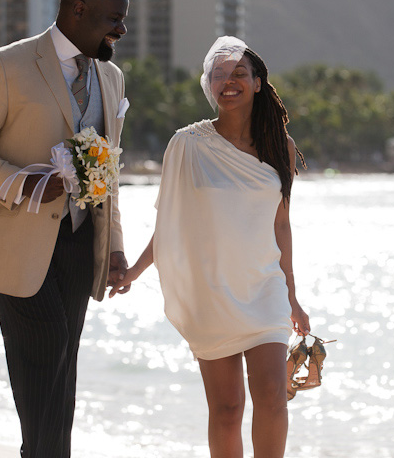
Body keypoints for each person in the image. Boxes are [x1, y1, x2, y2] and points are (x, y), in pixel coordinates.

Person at [0, 0, 132, 458]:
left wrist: (114, 248)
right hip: (15, 241)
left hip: (78, 239)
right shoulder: (5, 65)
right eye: (114, 19)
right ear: (78, 10)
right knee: (45, 346)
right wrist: (23, 185)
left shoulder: (110, 77)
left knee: (63, 361)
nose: (121, 31)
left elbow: (107, 172)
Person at [110, 36, 310, 458]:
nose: (229, 81)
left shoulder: (281, 147)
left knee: (273, 396)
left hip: (264, 288)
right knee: (226, 407)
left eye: (239, 73)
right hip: (211, 292)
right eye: (219, 75)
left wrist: (292, 295)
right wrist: (134, 272)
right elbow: (169, 222)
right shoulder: (187, 145)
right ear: (209, 85)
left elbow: (281, 223)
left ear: (258, 82)